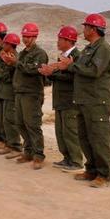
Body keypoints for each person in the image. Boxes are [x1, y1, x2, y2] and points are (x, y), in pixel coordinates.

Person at [55, 14, 110, 188]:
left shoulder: (103, 49)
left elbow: (94, 71)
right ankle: (91, 169)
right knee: (84, 136)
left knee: (98, 137)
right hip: (83, 100)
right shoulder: (89, 48)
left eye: (85, 27)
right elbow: (80, 69)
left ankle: (104, 174)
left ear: (93, 29)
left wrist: (70, 65)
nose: (83, 30)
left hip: (97, 101)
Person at [3, 23, 48, 170]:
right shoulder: (23, 53)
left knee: (32, 124)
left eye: (28, 36)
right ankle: (28, 151)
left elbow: (33, 70)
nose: (25, 39)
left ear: (35, 37)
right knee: (20, 122)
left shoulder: (39, 53)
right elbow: (17, 71)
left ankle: (38, 155)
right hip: (20, 92)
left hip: (32, 93)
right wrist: (10, 64)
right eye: (24, 36)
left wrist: (16, 63)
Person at [38, 26, 83, 170]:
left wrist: (51, 73)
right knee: (61, 132)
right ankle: (67, 158)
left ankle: (76, 161)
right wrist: (49, 73)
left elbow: (72, 76)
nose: (57, 42)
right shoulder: (63, 56)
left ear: (69, 40)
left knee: (70, 132)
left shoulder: (76, 56)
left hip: (70, 100)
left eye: (60, 39)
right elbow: (60, 76)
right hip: (60, 100)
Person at [0, 33, 22, 158]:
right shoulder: (8, 56)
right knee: (5, 119)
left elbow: (8, 76)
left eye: (5, 43)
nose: (2, 45)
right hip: (5, 92)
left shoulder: (14, 58)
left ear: (10, 45)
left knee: (11, 120)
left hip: (10, 92)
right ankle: (9, 144)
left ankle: (15, 146)